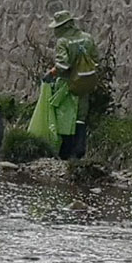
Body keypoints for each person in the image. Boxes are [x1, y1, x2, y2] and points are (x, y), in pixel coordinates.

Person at [46, 10, 99, 160]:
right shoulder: (88, 38)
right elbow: (96, 59)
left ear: (62, 26)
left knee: (64, 117)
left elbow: (63, 65)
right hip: (84, 82)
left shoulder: (63, 42)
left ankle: (65, 152)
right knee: (81, 116)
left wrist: (51, 73)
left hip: (67, 84)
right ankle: (79, 151)